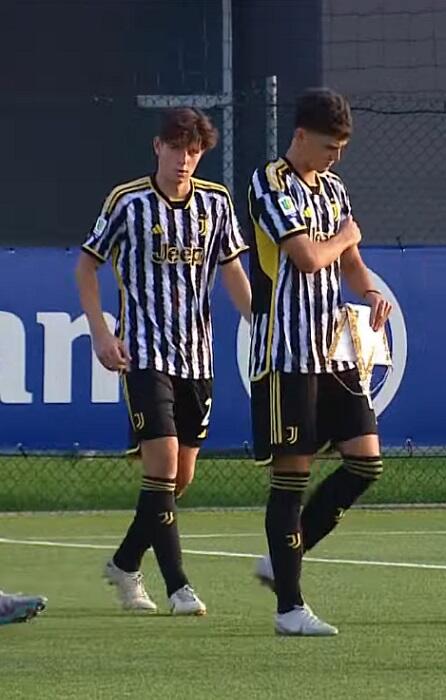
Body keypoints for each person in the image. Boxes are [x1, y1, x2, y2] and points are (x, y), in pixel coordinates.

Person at [76, 107, 251, 617]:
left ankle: (126, 560)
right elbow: (86, 267)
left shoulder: (216, 203)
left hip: (198, 358)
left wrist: (258, 321)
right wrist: (101, 332)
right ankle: (179, 586)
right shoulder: (127, 202)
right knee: (164, 461)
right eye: (176, 149)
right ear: (158, 147)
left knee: (178, 481)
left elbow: (233, 269)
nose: (184, 160)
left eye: (194, 152)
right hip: (144, 354)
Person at [245, 88, 393, 637]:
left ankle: (283, 555)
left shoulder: (332, 187)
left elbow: (347, 261)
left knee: (365, 462)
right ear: (300, 136)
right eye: (329, 147)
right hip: (285, 352)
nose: (336, 158)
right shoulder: (268, 182)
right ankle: (289, 608)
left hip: (333, 349)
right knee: (292, 475)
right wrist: (346, 235)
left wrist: (370, 288)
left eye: (342, 148)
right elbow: (308, 257)